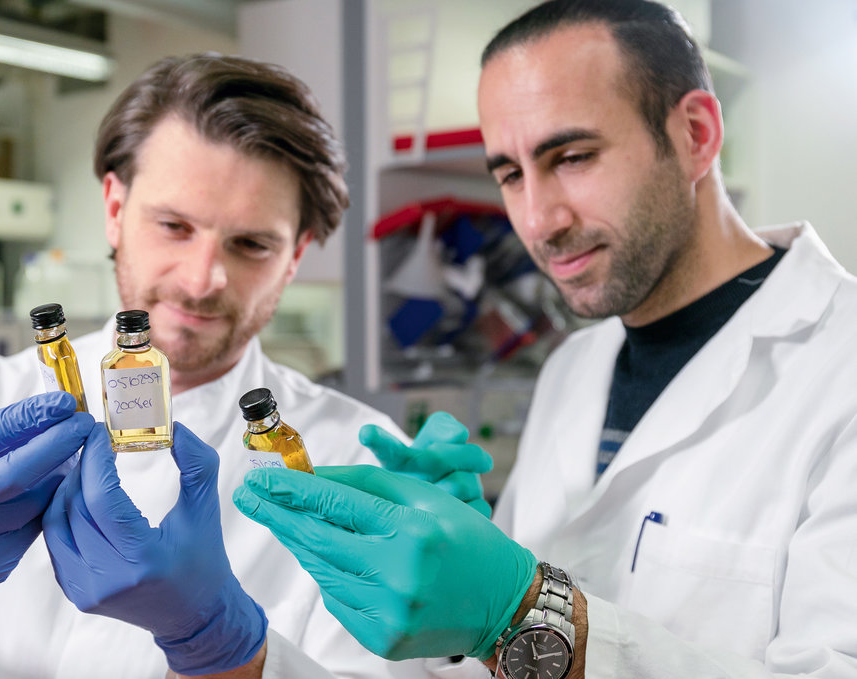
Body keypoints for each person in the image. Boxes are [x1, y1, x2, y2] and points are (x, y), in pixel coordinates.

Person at [233, 1, 857, 677]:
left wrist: (522, 610)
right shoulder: (574, 367)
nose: (538, 219)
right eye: (508, 173)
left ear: (695, 135)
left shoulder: (838, 365)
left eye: (572, 156)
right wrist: (459, 598)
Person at [0, 54, 491, 679]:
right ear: (115, 209)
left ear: (294, 256)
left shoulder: (353, 460)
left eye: (250, 244)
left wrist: (220, 645)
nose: (203, 279)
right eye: (175, 225)